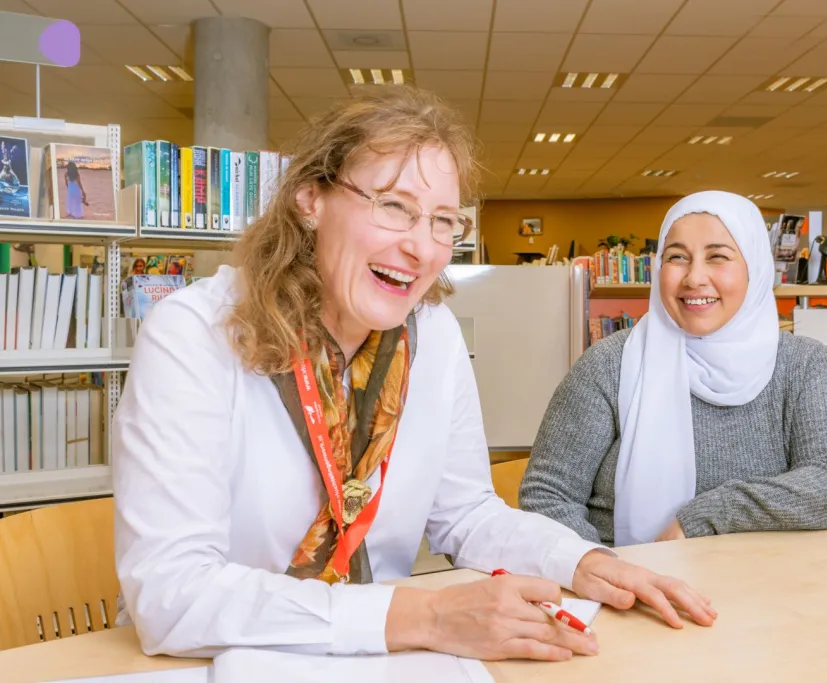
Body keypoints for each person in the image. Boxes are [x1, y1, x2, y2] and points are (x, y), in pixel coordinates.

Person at [111, 87, 716, 664]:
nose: (422, 249)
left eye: (443, 220)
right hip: (214, 664)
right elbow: (171, 595)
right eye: (395, 207)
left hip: (378, 662)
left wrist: (580, 560)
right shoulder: (194, 335)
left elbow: (467, 515)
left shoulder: (433, 335)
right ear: (310, 200)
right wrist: (426, 617)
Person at [519, 191, 827, 548]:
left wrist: (708, 515)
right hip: (631, 586)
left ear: (756, 269)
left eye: (717, 257)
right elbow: (547, 497)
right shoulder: (609, 364)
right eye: (677, 258)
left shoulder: (802, 363)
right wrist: (604, 572)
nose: (694, 277)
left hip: (770, 585)